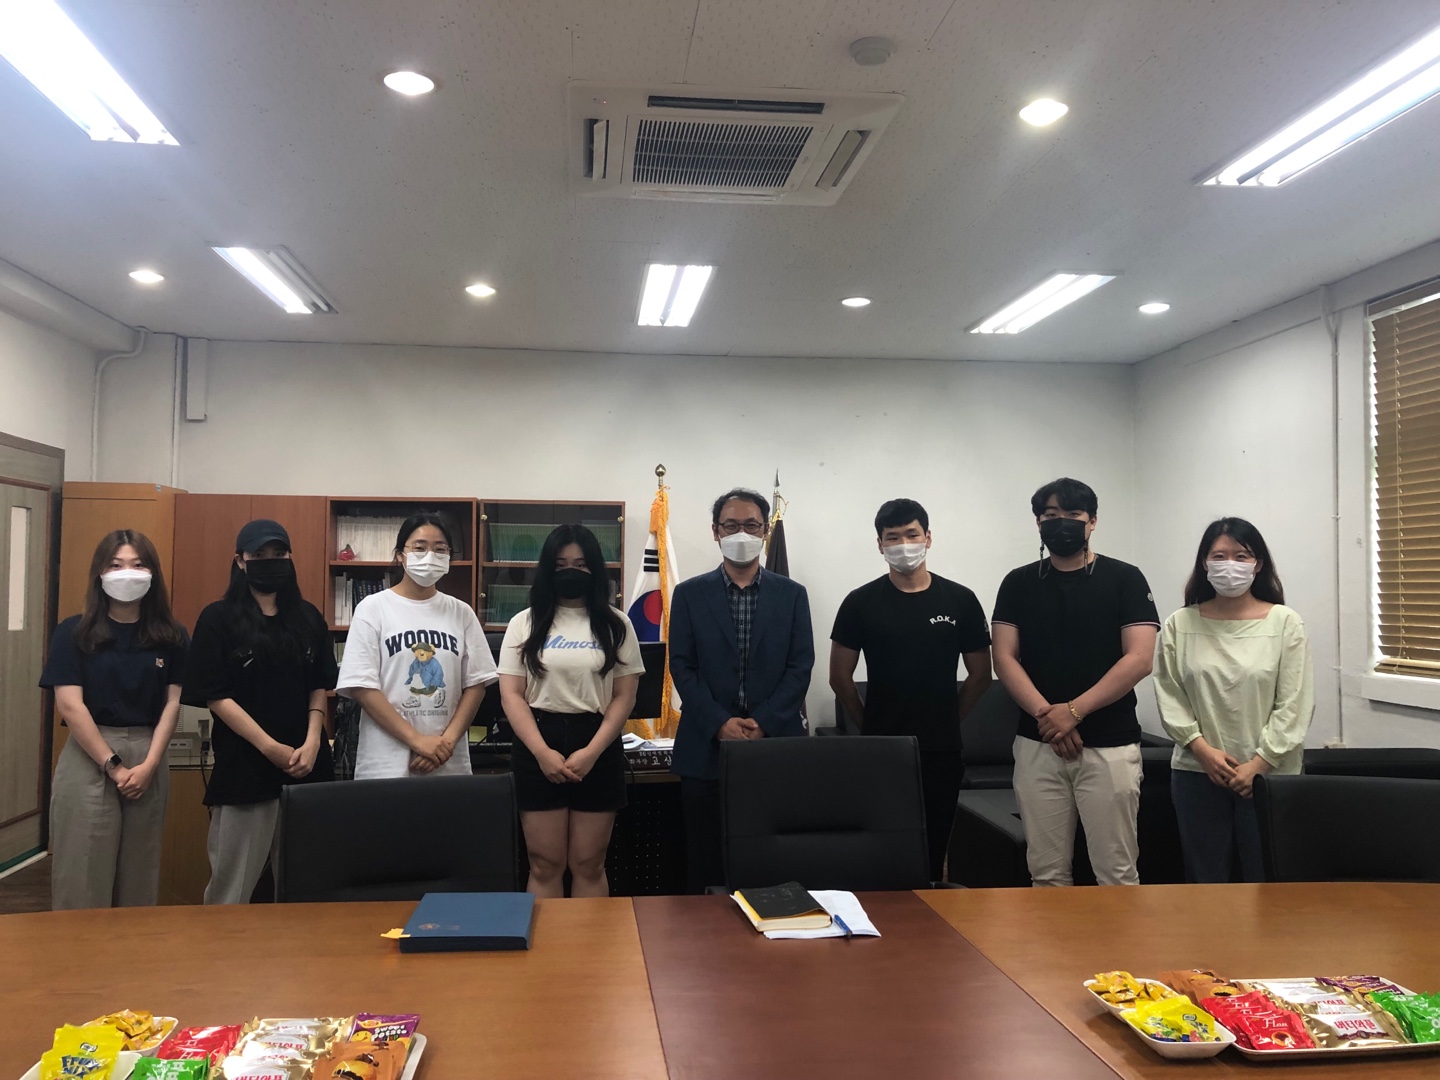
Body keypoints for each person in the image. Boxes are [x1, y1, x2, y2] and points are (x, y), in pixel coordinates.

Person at [991, 478, 1159, 887]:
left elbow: (1139, 659)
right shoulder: (1018, 582)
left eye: (1072, 514)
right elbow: (1004, 658)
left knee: (1116, 872)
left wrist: (1073, 712)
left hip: (1110, 745)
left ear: (1092, 521)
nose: (1061, 522)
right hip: (1037, 742)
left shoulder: (1125, 578)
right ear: (1038, 523)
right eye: (1050, 515)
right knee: (1046, 872)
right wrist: (1049, 718)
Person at [830, 498, 992, 881]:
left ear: (928, 538)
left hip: (942, 748)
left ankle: (931, 908)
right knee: (882, 847)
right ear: (880, 545)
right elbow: (839, 677)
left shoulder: (960, 600)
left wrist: (950, 716)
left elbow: (981, 674)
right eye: (893, 537)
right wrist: (869, 724)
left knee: (934, 848)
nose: (903, 544)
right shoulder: (859, 602)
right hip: (881, 748)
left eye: (911, 534)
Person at [182, 519, 336, 904]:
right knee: (232, 887)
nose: (270, 561)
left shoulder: (308, 617)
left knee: (306, 885)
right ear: (240, 560)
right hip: (245, 768)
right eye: (259, 555)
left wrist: (313, 741)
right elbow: (216, 696)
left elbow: (319, 685)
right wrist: (269, 747)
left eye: (278, 553)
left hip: (308, 766)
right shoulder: (218, 618)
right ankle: (226, 946)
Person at [670, 487, 814, 892]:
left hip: (775, 746)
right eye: (731, 525)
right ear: (715, 531)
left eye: (751, 525)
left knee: (774, 862)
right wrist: (720, 723)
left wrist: (763, 722)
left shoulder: (792, 595)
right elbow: (682, 666)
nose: (741, 534)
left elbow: (800, 667)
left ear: (765, 531)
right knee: (706, 862)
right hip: (705, 749)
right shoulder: (689, 594)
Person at [1154, 517, 1313, 883]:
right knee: (1205, 880)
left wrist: (1260, 763)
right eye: (1219, 556)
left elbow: (1295, 702)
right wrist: (1202, 751)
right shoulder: (1180, 624)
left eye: (1241, 556)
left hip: (1270, 774)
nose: (1230, 565)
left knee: (1268, 882)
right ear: (1204, 563)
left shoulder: (1285, 623)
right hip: (1197, 773)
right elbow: (1169, 693)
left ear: (1258, 564)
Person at [40, 530, 188, 910]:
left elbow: (173, 703)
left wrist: (150, 764)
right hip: (91, 753)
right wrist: (114, 766)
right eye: (116, 565)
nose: (127, 573)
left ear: (152, 573)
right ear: (100, 573)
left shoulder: (172, 635)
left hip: (149, 754)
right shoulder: (74, 632)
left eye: (138, 565)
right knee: (83, 870)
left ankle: (131, 949)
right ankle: (81, 948)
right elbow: (70, 705)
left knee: (140, 873)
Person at [498, 525, 644, 897]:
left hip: (597, 741)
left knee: (588, 863)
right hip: (538, 741)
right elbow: (512, 695)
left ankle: (587, 938)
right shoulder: (524, 623)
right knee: (544, 864)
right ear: (547, 568)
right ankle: (546, 938)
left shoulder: (617, 624)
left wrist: (592, 752)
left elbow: (624, 697)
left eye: (580, 564)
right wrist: (541, 752)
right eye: (561, 564)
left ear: (595, 568)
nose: (570, 572)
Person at [337, 513, 497, 779]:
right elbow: (362, 686)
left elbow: (476, 684)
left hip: (448, 761)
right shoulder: (372, 609)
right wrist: (417, 741)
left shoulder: (461, 612)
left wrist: (445, 744)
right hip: (385, 763)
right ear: (400, 555)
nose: (430, 556)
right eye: (420, 547)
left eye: (440, 549)